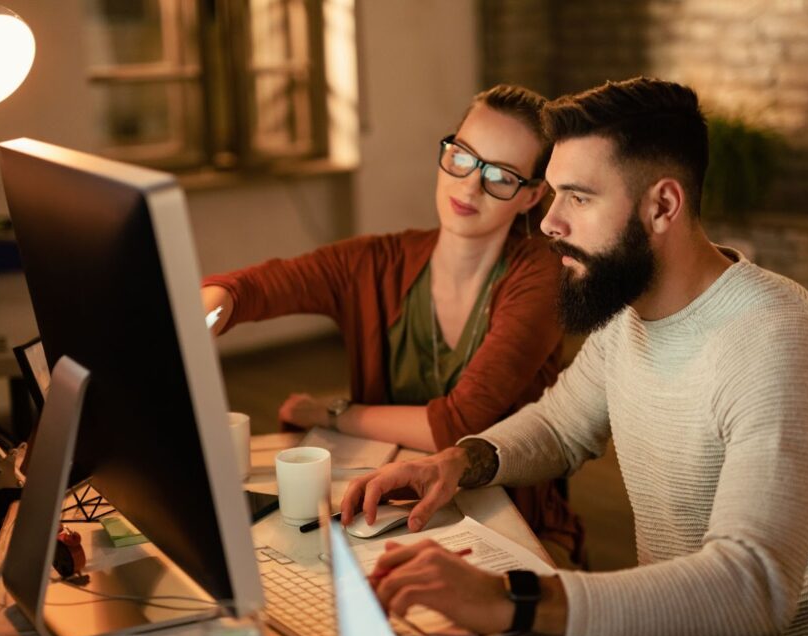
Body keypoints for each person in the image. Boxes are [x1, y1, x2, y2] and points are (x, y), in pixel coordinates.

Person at [341, 76, 808, 636]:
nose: (549, 223)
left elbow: (753, 585)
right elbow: (559, 425)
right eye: (552, 195)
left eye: (577, 198)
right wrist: (456, 461)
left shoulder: (776, 344)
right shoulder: (630, 313)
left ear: (662, 206)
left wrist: (512, 601)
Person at [202, 85, 584, 563]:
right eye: (463, 157)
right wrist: (215, 306)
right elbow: (255, 288)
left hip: (503, 519)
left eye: (500, 176)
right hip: (380, 507)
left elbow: (458, 425)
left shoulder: (541, 277)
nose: (468, 186)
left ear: (531, 196)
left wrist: (333, 413)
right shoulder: (380, 261)